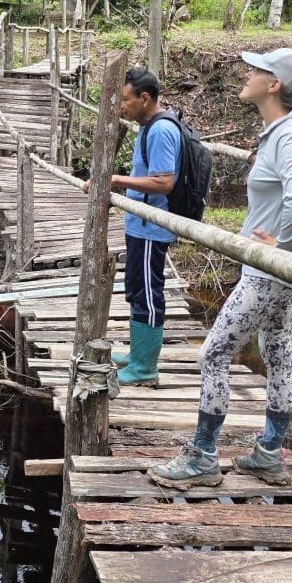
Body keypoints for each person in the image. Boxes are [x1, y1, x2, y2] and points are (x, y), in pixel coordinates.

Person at [147, 48, 292, 489]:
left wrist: (278, 243)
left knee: (212, 354)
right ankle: (269, 453)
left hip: (269, 272)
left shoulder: (288, 136)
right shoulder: (288, 130)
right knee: (278, 354)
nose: (247, 74)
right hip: (286, 272)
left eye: (258, 70)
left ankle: (203, 456)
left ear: (274, 85)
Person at [82, 67, 180, 387]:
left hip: (152, 226)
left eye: (125, 100)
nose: (122, 106)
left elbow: (164, 182)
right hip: (140, 225)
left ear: (145, 98)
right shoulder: (147, 126)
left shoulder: (162, 130)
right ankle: (138, 355)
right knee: (137, 290)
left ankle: (145, 367)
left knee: (149, 294)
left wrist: (115, 180)